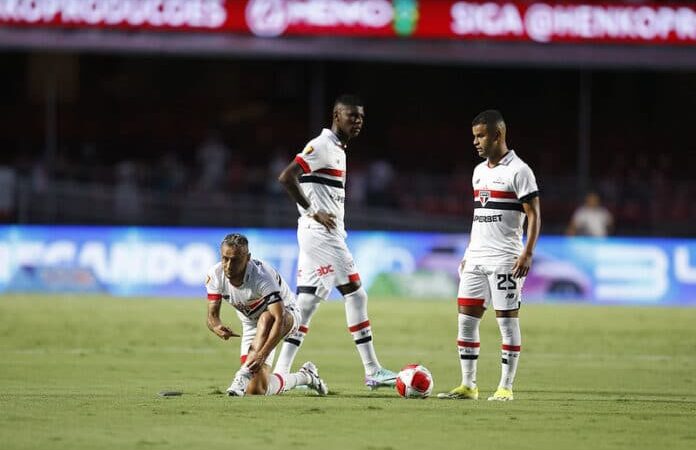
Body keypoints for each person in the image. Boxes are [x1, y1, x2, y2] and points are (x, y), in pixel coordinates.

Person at [274, 94, 397, 389]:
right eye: (351, 116)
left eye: (361, 117)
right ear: (336, 115)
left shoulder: (339, 150)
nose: (357, 122)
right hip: (321, 235)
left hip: (320, 234)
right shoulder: (322, 146)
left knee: (305, 303)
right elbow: (287, 177)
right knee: (356, 294)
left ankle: (280, 372)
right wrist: (312, 210)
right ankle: (373, 370)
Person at [438, 110, 541, 402]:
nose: (475, 142)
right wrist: (469, 252)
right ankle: (468, 385)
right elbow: (479, 217)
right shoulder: (478, 171)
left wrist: (528, 252)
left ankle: (506, 387)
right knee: (466, 321)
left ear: (498, 135)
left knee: (507, 323)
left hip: (505, 260)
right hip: (476, 259)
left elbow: (534, 215)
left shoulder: (520, 171)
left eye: (480, 135)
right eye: (474, 136)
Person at [205, 233, 328, 397]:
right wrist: (216, 327)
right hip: (251, 325)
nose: (228, 265)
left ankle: (242, 375)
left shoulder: (261, 277)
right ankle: (306, 376)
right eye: (225, 258)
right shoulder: (215, 275)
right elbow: (212, 316)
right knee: (256, 390)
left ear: (247, 258)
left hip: (287, 316)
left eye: (235, 260)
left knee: (266, 317)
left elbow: (279, 317)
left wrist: (262, 354)